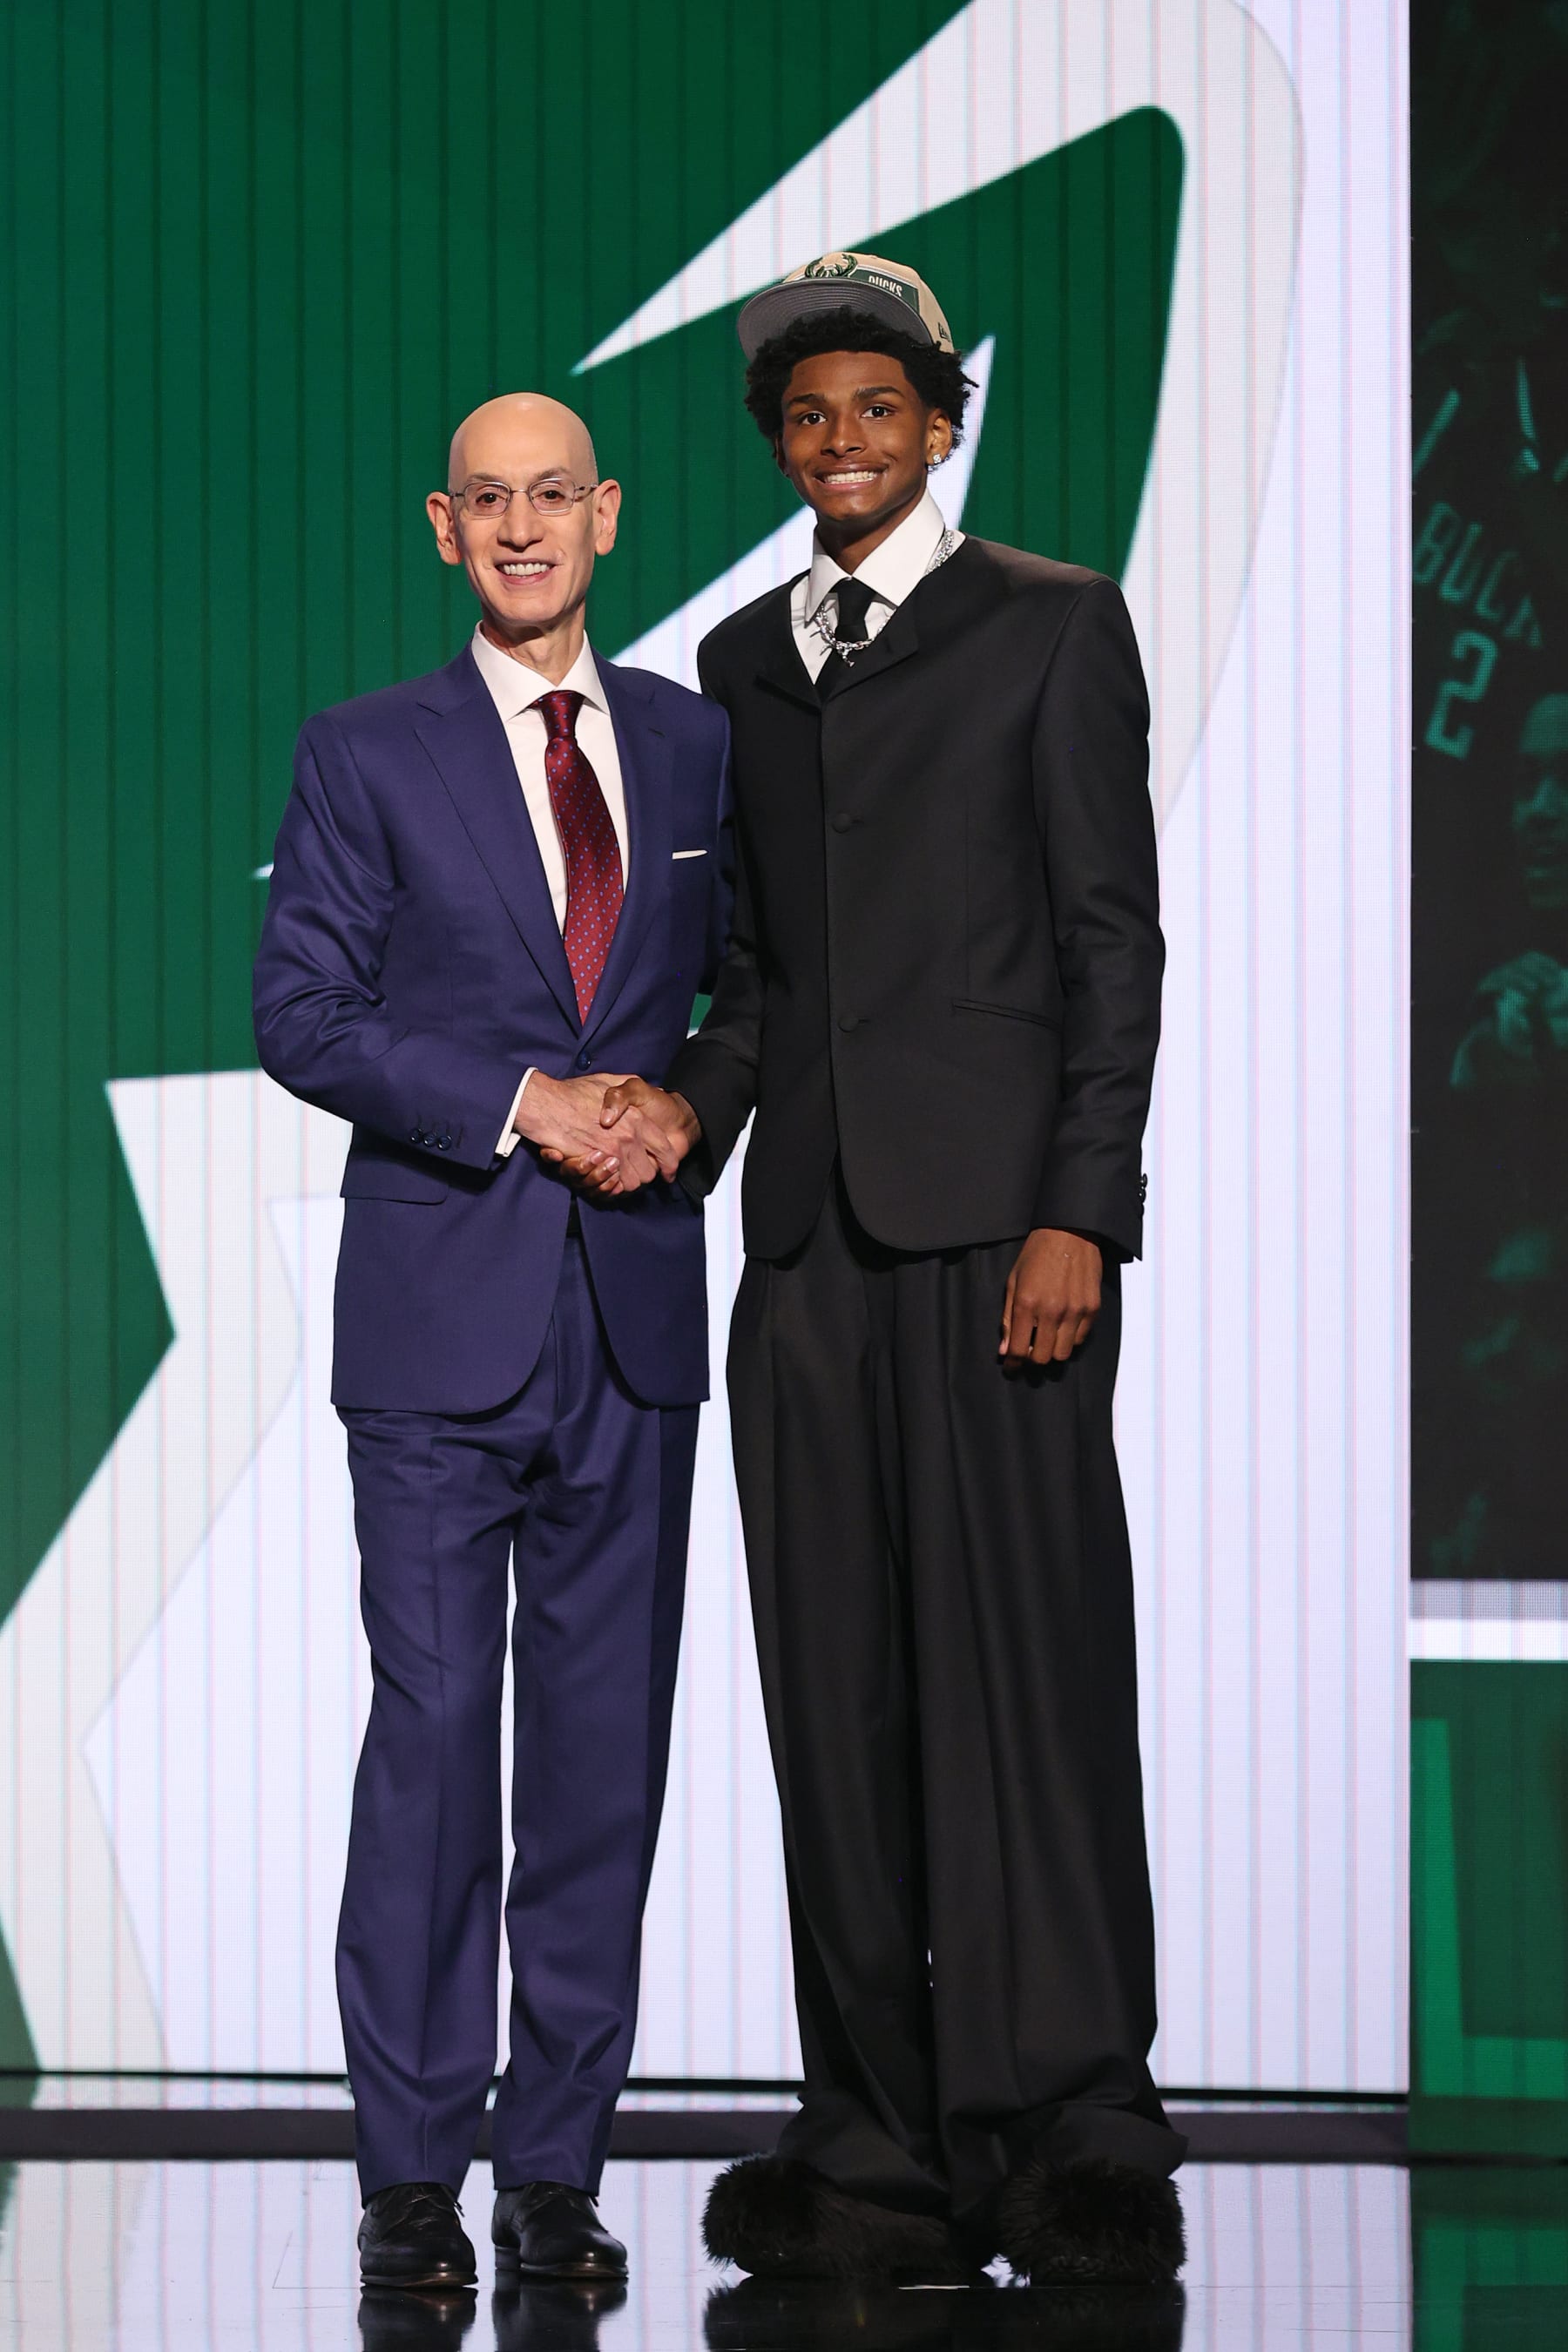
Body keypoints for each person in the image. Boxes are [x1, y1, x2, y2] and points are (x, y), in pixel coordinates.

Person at [574, 254, 1184, 2283]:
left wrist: (1083, 1208)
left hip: (1006, 1236)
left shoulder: (1054, 623)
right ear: (780, 443)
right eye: (809, 417)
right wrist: (681, 1112)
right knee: (833, 1702)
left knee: (1031, 1685)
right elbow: (757, 977)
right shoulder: (746, 658)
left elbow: (1113, 941)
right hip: (812, 1244)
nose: (844, 442)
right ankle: (880, 2144)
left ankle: (1078, 2125)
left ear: (943, 423)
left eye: (879, 410)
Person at [253, 394, 730, 2293]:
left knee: (603, 1764)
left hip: (633, 1313)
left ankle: (554, 2170)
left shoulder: (697, 746)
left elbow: (746, 997)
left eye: (556, 495)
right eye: (490, 503)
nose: (525, 527)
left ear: (605, 516)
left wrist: (687, 1107)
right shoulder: (364, 752)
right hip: (443, 1313)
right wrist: (527, 1098)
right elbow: (306, 1014)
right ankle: (406, 2172)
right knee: (438, 1746)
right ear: (442, 529)